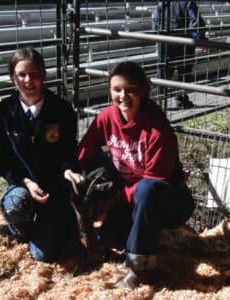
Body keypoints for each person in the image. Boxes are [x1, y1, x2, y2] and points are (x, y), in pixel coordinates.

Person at [73, 61, 195, 289]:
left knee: (146, 190)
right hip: (131, 200)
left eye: (131, 90)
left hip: (167, 200)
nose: (123, 96)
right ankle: (144, 242)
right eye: (117, 89)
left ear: (143, 91)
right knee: (111, 238)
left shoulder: (158, 130)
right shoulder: (107, 117)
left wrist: (111, 201)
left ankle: (140, 269)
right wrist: (72, 173)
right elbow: (85, 150)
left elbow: (154, 180)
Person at [0, 47, 84, 262]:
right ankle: (22, 231)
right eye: (21, 74)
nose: (28, 80)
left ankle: (57, 221)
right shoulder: (1, 114)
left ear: (44, 76)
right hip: (22, 185)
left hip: (55, 188)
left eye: (34, 74)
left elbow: (68, 149)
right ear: (13, 78)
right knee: (16, 204)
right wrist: (26, 182)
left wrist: (67, 170)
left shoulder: (62, 110)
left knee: (43, 256)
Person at [152, 1, 207, 108]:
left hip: (165, 41)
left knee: (163, 73)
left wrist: (158, 36)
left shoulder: (163, 3)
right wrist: (200, 40)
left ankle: (154, 102)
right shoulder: (188, 2)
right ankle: (181, 100)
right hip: (184, 42)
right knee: (184, 73)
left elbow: (155, 21)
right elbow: (195, 21)